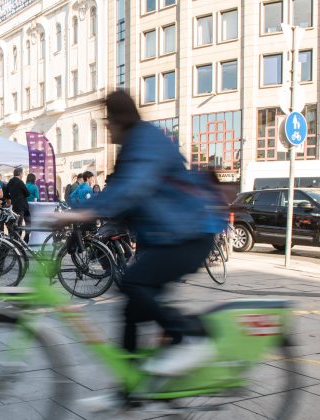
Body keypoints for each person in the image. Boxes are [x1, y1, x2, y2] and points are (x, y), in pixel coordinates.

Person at [50, 90, 224, 402]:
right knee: (132, 308)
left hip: (190, 235)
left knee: (133, 283)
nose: (107, 127)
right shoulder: (135, 145)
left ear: (119, 119)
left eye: (107, 120)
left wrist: (85, 212)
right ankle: (130, 390)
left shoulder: (146, 141)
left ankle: (189, 339)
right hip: (169, 236)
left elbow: (134, 187)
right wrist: (89, 217)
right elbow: (124, 194)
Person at [7, 166, 32, 243]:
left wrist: (11, 199)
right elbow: (28, 193)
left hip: (14, 207)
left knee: (16, 225)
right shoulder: (20, 182)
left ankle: (15, 242)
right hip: (23, 206)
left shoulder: (10, 181)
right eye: (22, 174)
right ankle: (23, 241)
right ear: (20, 174)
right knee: (26, 224)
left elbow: (5, 194)